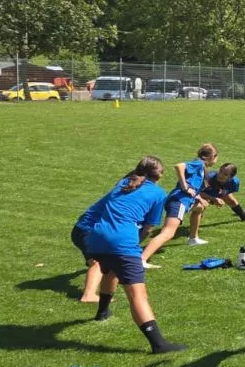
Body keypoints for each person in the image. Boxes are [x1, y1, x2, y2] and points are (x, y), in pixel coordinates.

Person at [85, 156, 187, 354]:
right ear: (159, 175)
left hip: (96, 238)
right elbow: (148, 227)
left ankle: (102, 312)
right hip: (121, 241)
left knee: (111, 271)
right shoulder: (158, 193)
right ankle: (159, 344)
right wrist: (133, 244)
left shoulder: (123, 183)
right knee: (138, 295)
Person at [140, 143, 218, 268]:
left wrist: (198, 197)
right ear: (212, 157)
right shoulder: (198, 163)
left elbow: (192, 184)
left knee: (199, 208)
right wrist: (184, 186)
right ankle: (142, 259)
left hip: (184, 201)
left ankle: (193, 238)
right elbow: (179, 166)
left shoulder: (201, 167)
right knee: (168, 232)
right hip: (179, 201)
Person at [71, 175, 134, 303]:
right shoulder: (126, 193)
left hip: (86, 228)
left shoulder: (124, 186)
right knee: (98, 261)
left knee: (101, 261)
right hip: (88, 230)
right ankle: (89, 295)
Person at [185, 163, 245, 246]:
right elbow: (197, 193)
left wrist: (219, 198)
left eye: (225, 174)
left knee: (232, 201)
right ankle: (193, 233)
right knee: (201, 207)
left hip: (214, 192)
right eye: (220, 171)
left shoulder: (234, 182)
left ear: (231, 177)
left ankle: (244, 217)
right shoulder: (208, 178)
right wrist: (212, 199)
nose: (221, 175)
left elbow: (225, 192)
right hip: (202, 194)